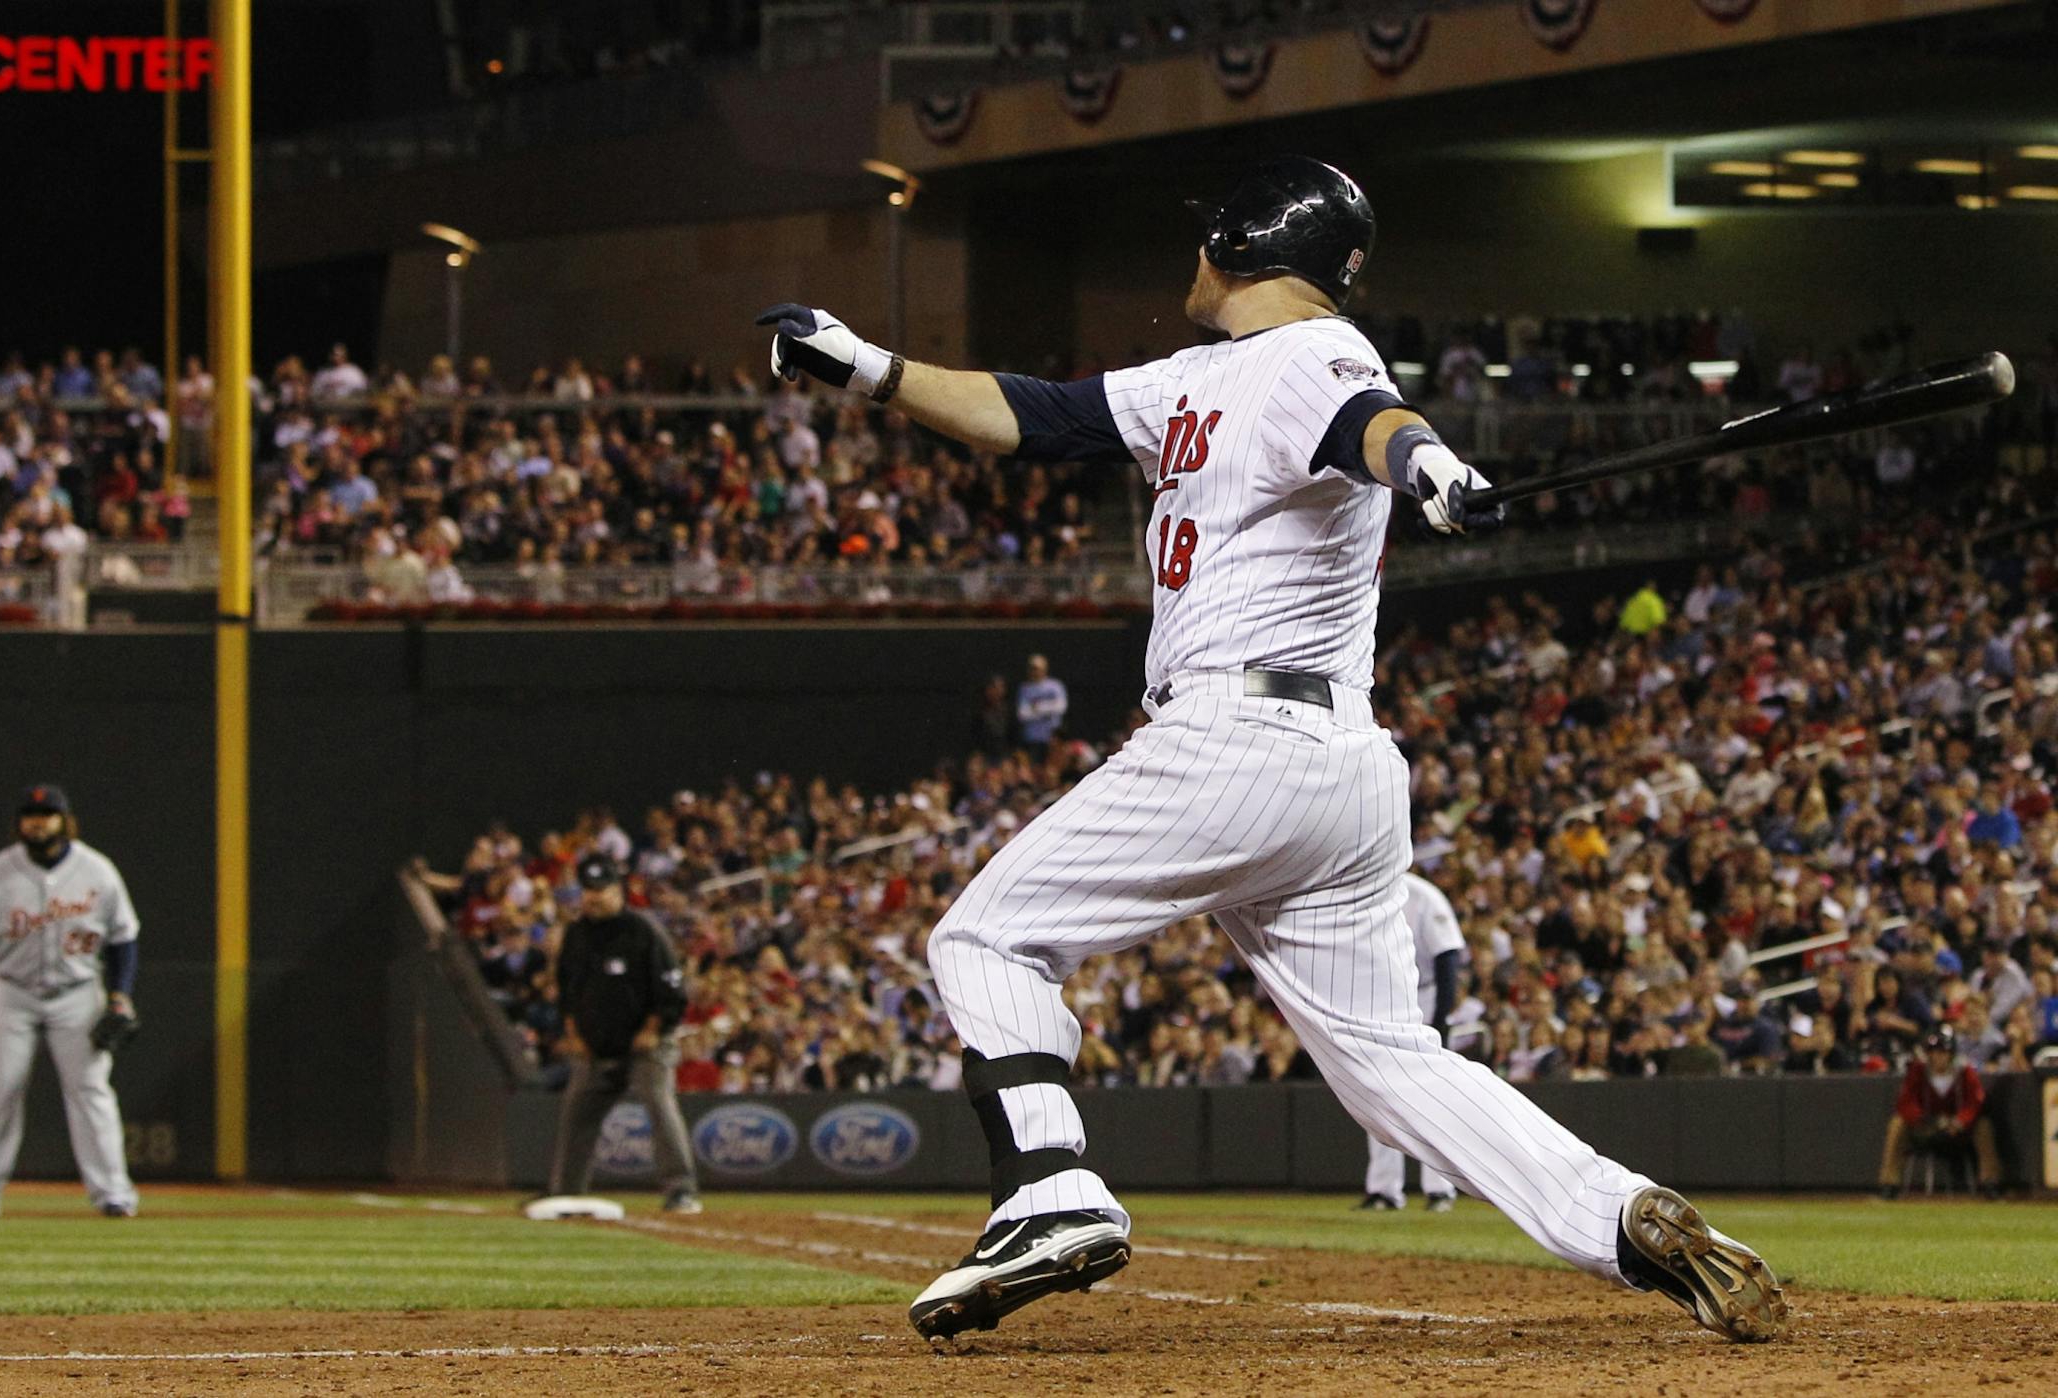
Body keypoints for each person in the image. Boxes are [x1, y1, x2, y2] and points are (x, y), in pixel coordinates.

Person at [755, 153, 1783, 1345]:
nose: (1193, 253)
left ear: (1244, 245)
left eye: (1208, 236)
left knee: (986, 937)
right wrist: (868, 369)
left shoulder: (1309, 354)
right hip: (1337, 769)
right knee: (1391, 1063)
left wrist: (1430, 463)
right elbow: (1034, 417)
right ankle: (1627, 1214)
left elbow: (1368, 419)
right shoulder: (1202, 376)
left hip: (1239, 736)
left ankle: (1050, 1190)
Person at [0, 786, 141, 1218]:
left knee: (91, 1090)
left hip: (79, 993)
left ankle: (113, 1193)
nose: (38, 821)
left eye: (47, 814)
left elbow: (124, 938)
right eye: (30, 814)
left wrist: (120, 994)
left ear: (66, 821)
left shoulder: (97, 871)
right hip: (11, 992)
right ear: (19, 822)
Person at [541, 852, 701, 1214]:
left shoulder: (643, 931)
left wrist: (652, 1029)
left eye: (601, 889)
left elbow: (671, 990)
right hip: (596, 1048)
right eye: (587, 889)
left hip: (646, 1046)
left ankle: (682, 1189)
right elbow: (567, 991)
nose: (594, 896)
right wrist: (573, 1033)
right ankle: (565, 1192)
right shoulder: (577, 934)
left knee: (659, 1106)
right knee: (576, 1116)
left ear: (619, 890)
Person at [1360, 871, 1466, 1212]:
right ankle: (1384, 1190)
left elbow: (1448, 958)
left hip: (1425, 996)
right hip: (1381, 998)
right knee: (1376, 1094)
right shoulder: (1364, 890)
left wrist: (1442, 1017)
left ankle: (1440, 1189)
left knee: (1431, 1096)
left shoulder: (1423, 895)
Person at [1877, 1027, 2002, 1200]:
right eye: (1934, 1052)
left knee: (1984, 1126)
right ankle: (1889, 1184)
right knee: (1897, 1124)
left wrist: (1959, 1122)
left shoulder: (1964, 1071)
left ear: (1951, 1054)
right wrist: (1923, 1120)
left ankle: (1991, 1183)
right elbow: (1906, 1102)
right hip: (1927, 1126)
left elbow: (1975, 1101)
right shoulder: (1918, 1070)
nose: (1938, 1057)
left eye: (1942, 1052)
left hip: (1957, 1129)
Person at [1014, 654, 1068, 751]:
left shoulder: (1055, 686)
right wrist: (1050, 707)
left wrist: (1038, 708)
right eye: (1032, 668)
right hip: (1032, 739)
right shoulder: (1024, 689)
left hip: (1053, 739)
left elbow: (1061, 707)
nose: (1034, 671)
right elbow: (1022, 714)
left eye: (1037, 668)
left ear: (1045, 668)